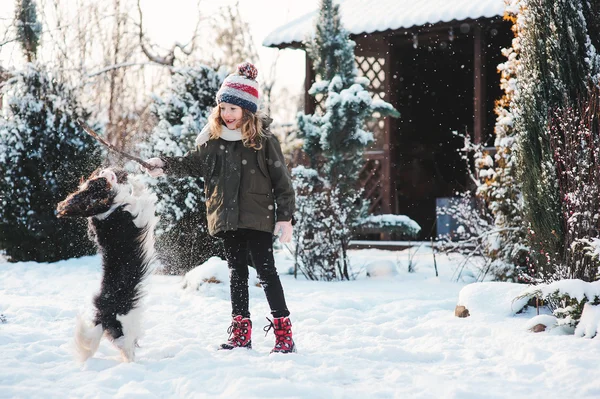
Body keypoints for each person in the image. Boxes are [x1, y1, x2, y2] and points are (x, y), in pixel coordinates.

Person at [143, 62, 296, 353]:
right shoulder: (214, 142)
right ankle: (241, 331)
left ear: (247, 111)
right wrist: (163, 165)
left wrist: (285, 217)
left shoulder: (263, 142)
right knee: (237, 272)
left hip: (258, 218)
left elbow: (282, 181)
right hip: (227, 217)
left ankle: (283, 332)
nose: (227, 115)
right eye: (223, 108)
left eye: (233, 110)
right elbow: (191, 163)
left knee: (266, 273)